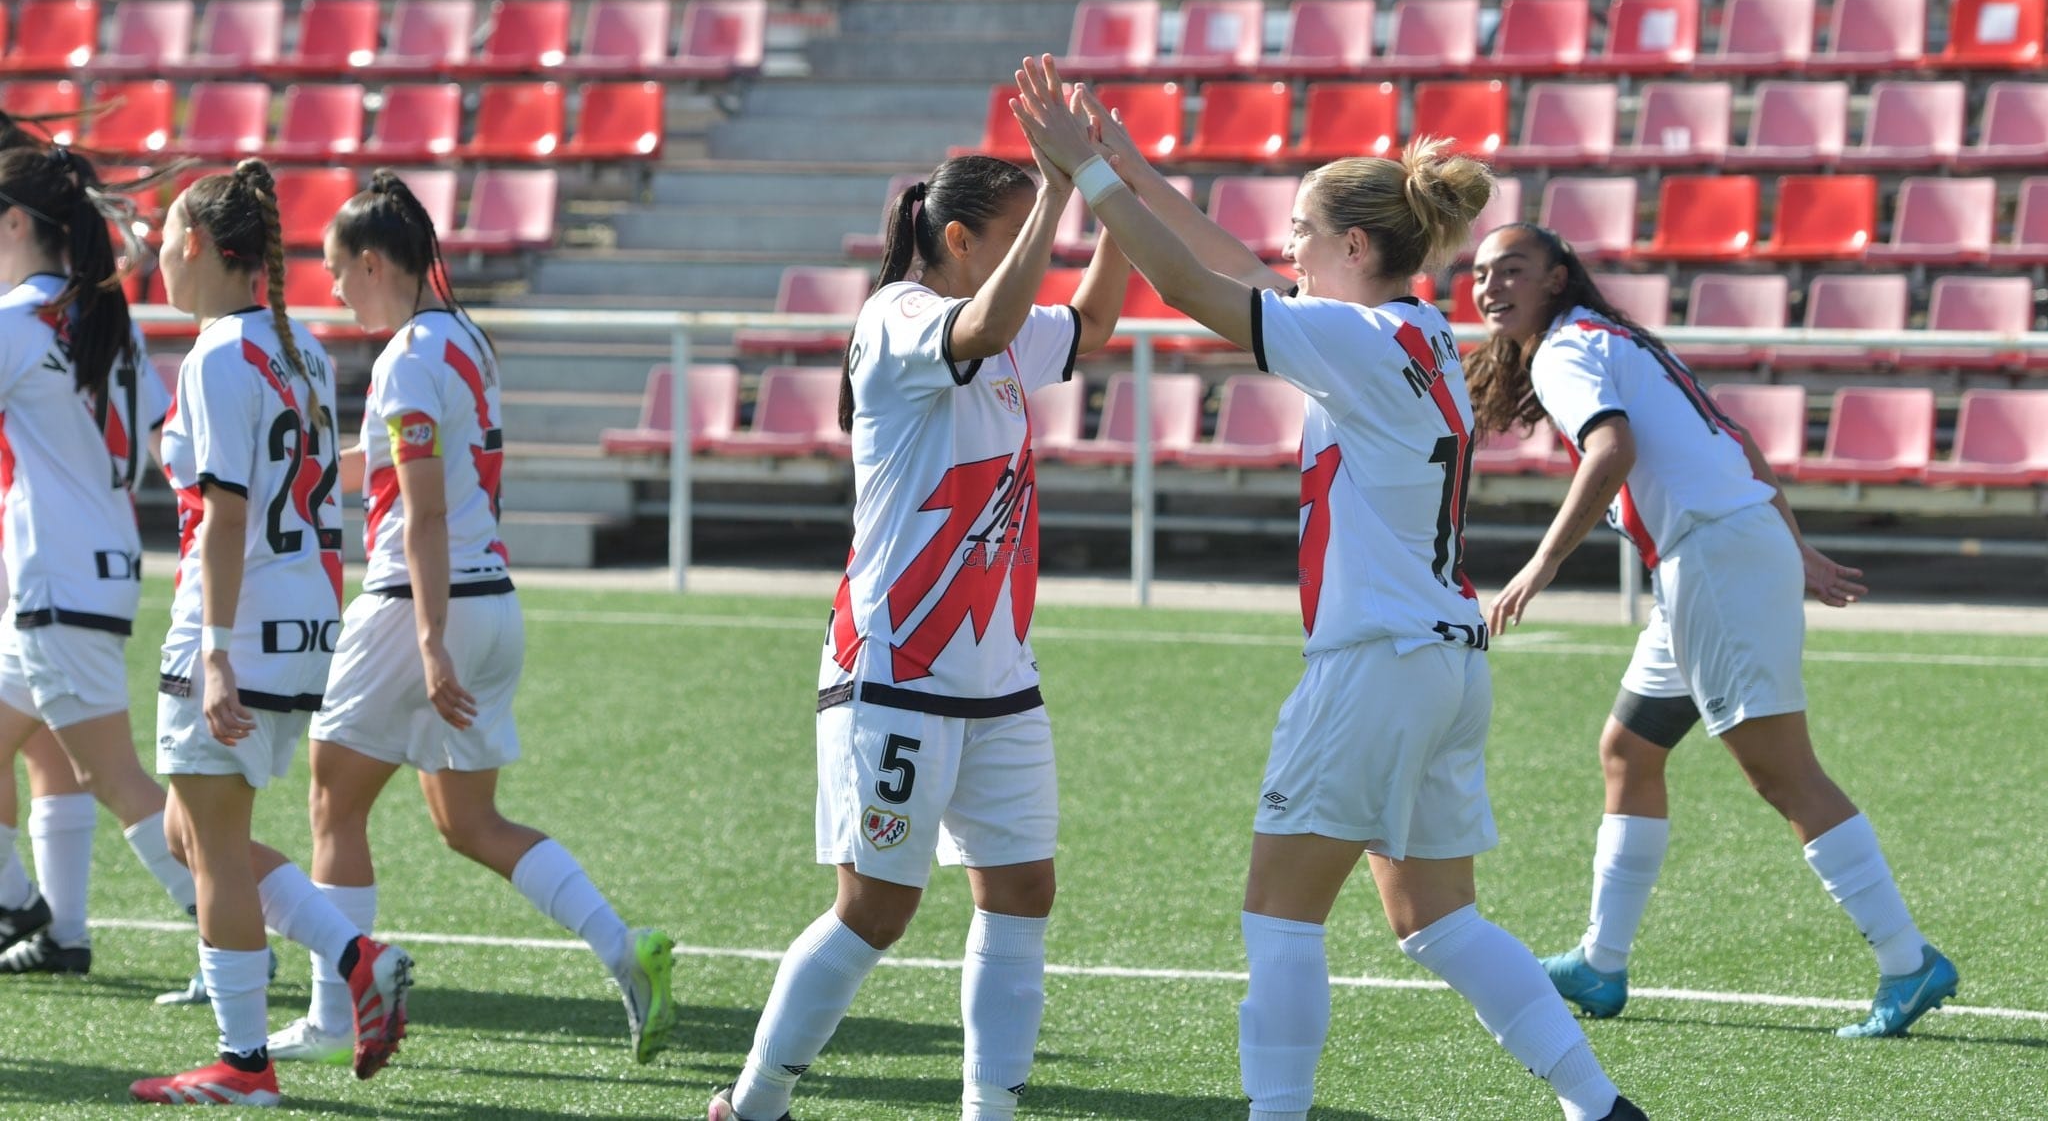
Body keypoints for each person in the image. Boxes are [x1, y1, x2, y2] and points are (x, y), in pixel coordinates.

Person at [1009, 56, 1648, 1121]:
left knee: (1279, 916)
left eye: (1302, 231)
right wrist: (1115, 161)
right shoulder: (1417, 330)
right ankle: (1597, 1104)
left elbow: (1193, 287)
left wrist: (1094, 183)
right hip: (1442, 660)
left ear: (1355, 245)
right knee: (1437, 921)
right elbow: (1228, 265)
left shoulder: (1349, 338)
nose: (1286, 249)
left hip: (1374, 663)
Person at [709, 149, 1130, 1121]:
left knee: (1023, 886)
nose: (1044, 243)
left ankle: (989, 1110)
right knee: (876, 908)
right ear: (957, 240)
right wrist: (1064, 191)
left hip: (997, 674)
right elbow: (981, 326)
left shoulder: (1000, 328)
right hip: (895, 668)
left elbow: (1094, 325)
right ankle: (755, 1101)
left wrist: (1114, 198)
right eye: (1026, 226)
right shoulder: (898, 316)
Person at [1466, 222, 1957, 1039]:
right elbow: (1739, 443)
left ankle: (1908, 963)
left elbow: (1611, 450)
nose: (1491, 287)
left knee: (1782, 774)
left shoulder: (1566, 349)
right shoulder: (1609, 336)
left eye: (1512, 269)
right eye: (1481, 274)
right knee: (1629, 750)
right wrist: (1791, 544)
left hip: (1714, 561)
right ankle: (1601, 964)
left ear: (1556, 278)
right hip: (1713, 558)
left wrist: (1541, 565)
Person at [265, 170, 676, 1068]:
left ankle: (338, 1018)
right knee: (468, 823)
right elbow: (395, 468)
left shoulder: (406, 356)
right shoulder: (463, 343)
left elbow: (422, 510)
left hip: (422, 608)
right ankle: (624, 948)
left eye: (337, 270)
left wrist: (427, 639)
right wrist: (290, 473)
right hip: (492, 604)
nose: (333, 289)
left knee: (333, 798)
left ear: (374, 262)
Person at [129, 161, 416, 1106]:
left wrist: (211, 650)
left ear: (203, 246)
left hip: (238, 627)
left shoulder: (216, 353)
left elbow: (221, 514)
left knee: (210, 846)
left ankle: (245, 1064)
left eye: (168, 237)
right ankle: (352, 952)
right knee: (189, 832)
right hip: (305, 620)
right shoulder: (298, 349)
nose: (159, 255)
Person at [0, 147, 203, 979]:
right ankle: (29, 911)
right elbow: (170, 447)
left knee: (117, 781)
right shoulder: (106, 318)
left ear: (14, 221)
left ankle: (246, 927)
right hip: (85, 566)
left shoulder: (18, 321)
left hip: (59, 574)